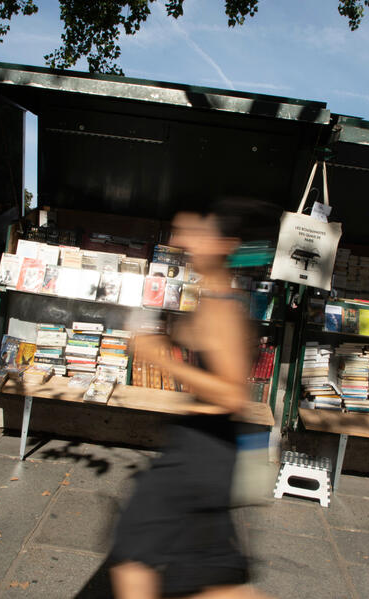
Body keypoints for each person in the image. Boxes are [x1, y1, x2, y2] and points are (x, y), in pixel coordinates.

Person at [109, 199, 278, 599]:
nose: (182, 242)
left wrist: (162, 358)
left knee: (133, 548)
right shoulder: (216, 298)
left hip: (199, 454)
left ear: (225, 245)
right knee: (209, 576)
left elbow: (232, 394)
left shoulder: (223, 309)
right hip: (207, 453)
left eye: (195, 233)